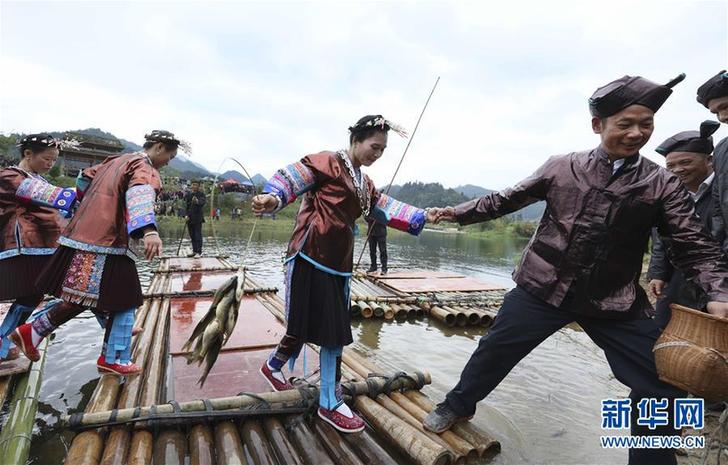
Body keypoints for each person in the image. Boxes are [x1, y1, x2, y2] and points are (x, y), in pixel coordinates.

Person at [424, 74, 728, 465]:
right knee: (494, 350)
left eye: (646, 124)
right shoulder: (562, 167)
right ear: (597, 126)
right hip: (542, 287)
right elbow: (505, 199)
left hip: (613, 300)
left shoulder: (660, 183)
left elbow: (693, 242)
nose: (637, 133)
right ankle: (459, 404)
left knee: (661, 382)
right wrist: (457, 212)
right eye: (625, 124)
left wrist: (720, 291)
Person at [252, 115, 436, 433]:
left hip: (338, 265)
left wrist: (422, 214)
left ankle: (273, 367)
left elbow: (384, 207)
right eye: (374, 146)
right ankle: (329, 402)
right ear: (356, 140)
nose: (377, 154)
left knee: (321, 329)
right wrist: (273, 197)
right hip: (311, 254)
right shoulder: (328, 162)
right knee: (322, 331)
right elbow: (293, 178)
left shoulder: (364, 184)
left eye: (382, 150)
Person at [11, 130, 180, 375]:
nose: (168, 162)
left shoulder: (115, 160)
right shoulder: (144, 167)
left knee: (88, 296)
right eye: (170, 156)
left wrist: (86, 210)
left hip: (85, 235)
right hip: (108, 240)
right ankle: (113, 358)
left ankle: (33, 332)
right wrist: (149, 230)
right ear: (159, 147)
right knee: (120, 298)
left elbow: (82, 180)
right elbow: (139, 193)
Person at [0, 134, 77, 362]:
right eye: (47, 158)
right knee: (73, 287)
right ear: (27, 154)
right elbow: (46, 196)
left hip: (43, 245)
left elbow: (60, 206)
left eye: (54, 160)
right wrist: (82, 191)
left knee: (31, 296)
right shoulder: (10, 176)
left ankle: (5, 340)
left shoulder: (39, 180)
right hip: (25, 245)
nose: (50, 164)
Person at [647, 121, 721, 329]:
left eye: (685, 162)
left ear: (710, 160)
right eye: (671, 166)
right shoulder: (670, 195)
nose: (678, 170)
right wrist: (658, 274)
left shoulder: (722, 190)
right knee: (665, 331)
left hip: (718, 278)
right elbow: (662, 238)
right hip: (678, 278)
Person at [697, 70, 728, 250]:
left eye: (725, 106)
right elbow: (718, 213)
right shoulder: (722, 151)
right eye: (716, 112)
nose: (722, 117)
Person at [366, 199, 388, 274]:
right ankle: (373, 267)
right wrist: (371, 218)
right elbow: (366, 217)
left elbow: (386, 220)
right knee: (372, 251)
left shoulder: (384, 210)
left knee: (383, 251)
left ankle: (384, 268)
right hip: (371, 233)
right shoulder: (370, 208)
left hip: (381, 233)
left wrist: (378, 218)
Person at [184, 180, 206, 258]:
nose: (194, 186)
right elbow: (187, 206)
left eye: (196, 185)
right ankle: (194, 251)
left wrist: (197, 201)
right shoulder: (189, 195)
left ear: (198, 186)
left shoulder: (201, 194)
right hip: (190, 218)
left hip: (198, 218)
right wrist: (186, 215)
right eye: (193, 185)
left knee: (197, 235)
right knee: (192, 235)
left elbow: (202, 202)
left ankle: (199, 252)